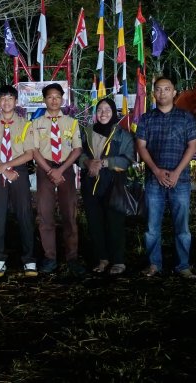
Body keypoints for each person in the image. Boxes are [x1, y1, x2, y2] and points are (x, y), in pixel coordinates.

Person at [136, 76, 196, 279]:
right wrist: (155, 170)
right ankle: (154, 264)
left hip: (180, 180)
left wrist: (177, 172)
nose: (162, 93)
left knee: (182, 227)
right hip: (154, 181)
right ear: (153, 93)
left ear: (174, 92)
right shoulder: (146, 118)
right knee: (152, 227)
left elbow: (192, 146)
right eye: (158, 89)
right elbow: (141, 147)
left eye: (166, 89)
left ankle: (183, 265)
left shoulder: (186, 118)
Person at [0, 84, 37, 278]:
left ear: (16, 101)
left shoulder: (25, 124)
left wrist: (7, 166)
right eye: (2, 99)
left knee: (25, 214)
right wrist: (1, 167)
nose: (6, 102)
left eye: (10, 98)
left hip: (18, 171)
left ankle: (29, 259)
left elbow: (29, 154)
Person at [78, 97, 136, 276]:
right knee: (95, 223)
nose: (103, 113)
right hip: (90, 183)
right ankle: (102, 259)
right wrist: (88, 162)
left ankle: (118, 261)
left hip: (114, 184)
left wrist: (104, 163)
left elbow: (128, 159)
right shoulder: (87, 132)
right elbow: (78, 153)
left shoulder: (122, 134)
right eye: (100, 110)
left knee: (114, 223)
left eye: (107, 110)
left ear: (114, 113)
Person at [32, 82, 84, 275]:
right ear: (44, 100)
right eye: (50, 97)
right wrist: (49, 170)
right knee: (45, 215)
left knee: (69, 214)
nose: (54, 100)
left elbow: (77, 149)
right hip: (45, 168)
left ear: (62, 99)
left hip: (65, 168)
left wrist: (60, 169)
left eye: (57, 97)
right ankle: (50, 257)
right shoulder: (36, 123)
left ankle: (72, 258)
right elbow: (34, 150)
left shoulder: (71, 122)